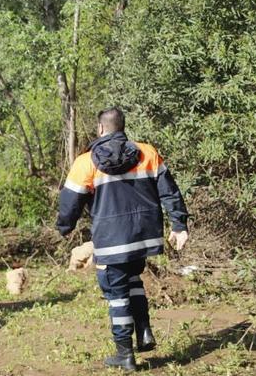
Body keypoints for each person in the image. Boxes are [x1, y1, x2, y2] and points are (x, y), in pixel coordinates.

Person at [57, 107, 189, 371]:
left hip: (111, 239)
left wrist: (64, 226)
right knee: (133, 279)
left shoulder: (86, 161)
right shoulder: (147, 152)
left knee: (116, 292)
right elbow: (169, 191)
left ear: (100, 129)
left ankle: (125, 354)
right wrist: (178, 224)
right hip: (143, 236)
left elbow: (70, 202)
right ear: (123, 126)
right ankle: (144, 332)